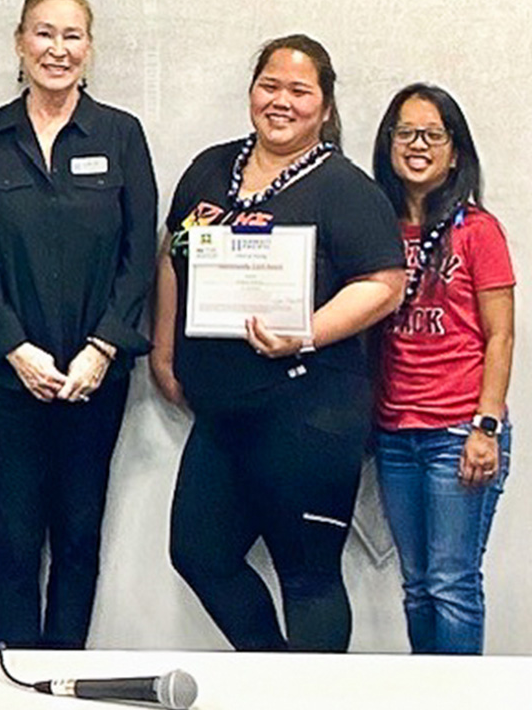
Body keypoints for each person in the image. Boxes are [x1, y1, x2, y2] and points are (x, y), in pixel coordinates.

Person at [152, 34, 405, 652]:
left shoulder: (345, 188)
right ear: (251, 92)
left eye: (299, 90)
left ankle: (308, 695)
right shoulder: (211, 168)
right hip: (222, 412)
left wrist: (306, 333)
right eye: (270, 85)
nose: (281, 101)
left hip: (309, 413)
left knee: (308, 575)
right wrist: (164, 352)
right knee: (199, 552)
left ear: (324, 105)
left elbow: (384, 285)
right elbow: (172, 256)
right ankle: (272, 675)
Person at [0, 0, 157, 649]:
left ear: (90, 48)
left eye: (72, 36)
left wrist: (103, 348)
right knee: (12, 544)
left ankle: (66, 678)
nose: (57, 49)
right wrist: (16, 348)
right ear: (20, 42)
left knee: (77, 538)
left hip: (93, 380)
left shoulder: (122, 135)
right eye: (44, 33)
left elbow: (139, 256)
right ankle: (13, 679)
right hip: (5, 379)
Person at [370, 83, 514, 654]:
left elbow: (500, 334)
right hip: (394, 432)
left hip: (458, 430)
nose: (418, 145)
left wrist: (486, 427)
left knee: (452, 585)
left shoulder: (478, 230)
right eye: (405, 132)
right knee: (416, 588)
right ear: (388, 145)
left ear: (455, 151)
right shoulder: (374, 226)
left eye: (433, 134)